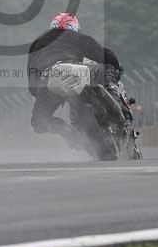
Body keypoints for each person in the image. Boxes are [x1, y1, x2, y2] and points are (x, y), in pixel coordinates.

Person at [27, 12, 124, 147]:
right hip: (73, 71)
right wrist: (116, 67)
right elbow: (106, 56)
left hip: (47, 81)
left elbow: (32, 83)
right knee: (107, 67)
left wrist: (43, 95)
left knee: (39, 121)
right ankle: (113, 97)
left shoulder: (37, 44)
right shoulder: (76, 37)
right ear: (74, 27)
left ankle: (66, 131)